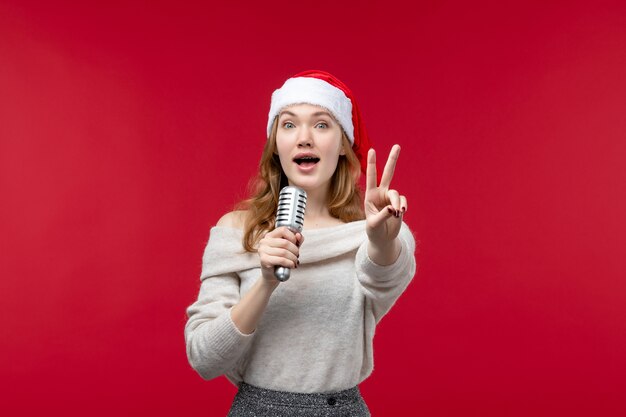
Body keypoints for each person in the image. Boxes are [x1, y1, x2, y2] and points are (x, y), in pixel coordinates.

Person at [184, 70, 418, 416]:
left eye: (322, 125)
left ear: (342, 144)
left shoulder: (373, 229)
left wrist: (380, 242)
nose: (304, 138)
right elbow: (204, 358)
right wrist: (265, 282)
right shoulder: (236, 230)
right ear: (276, 144)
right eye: (289, 125)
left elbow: (383, 277)